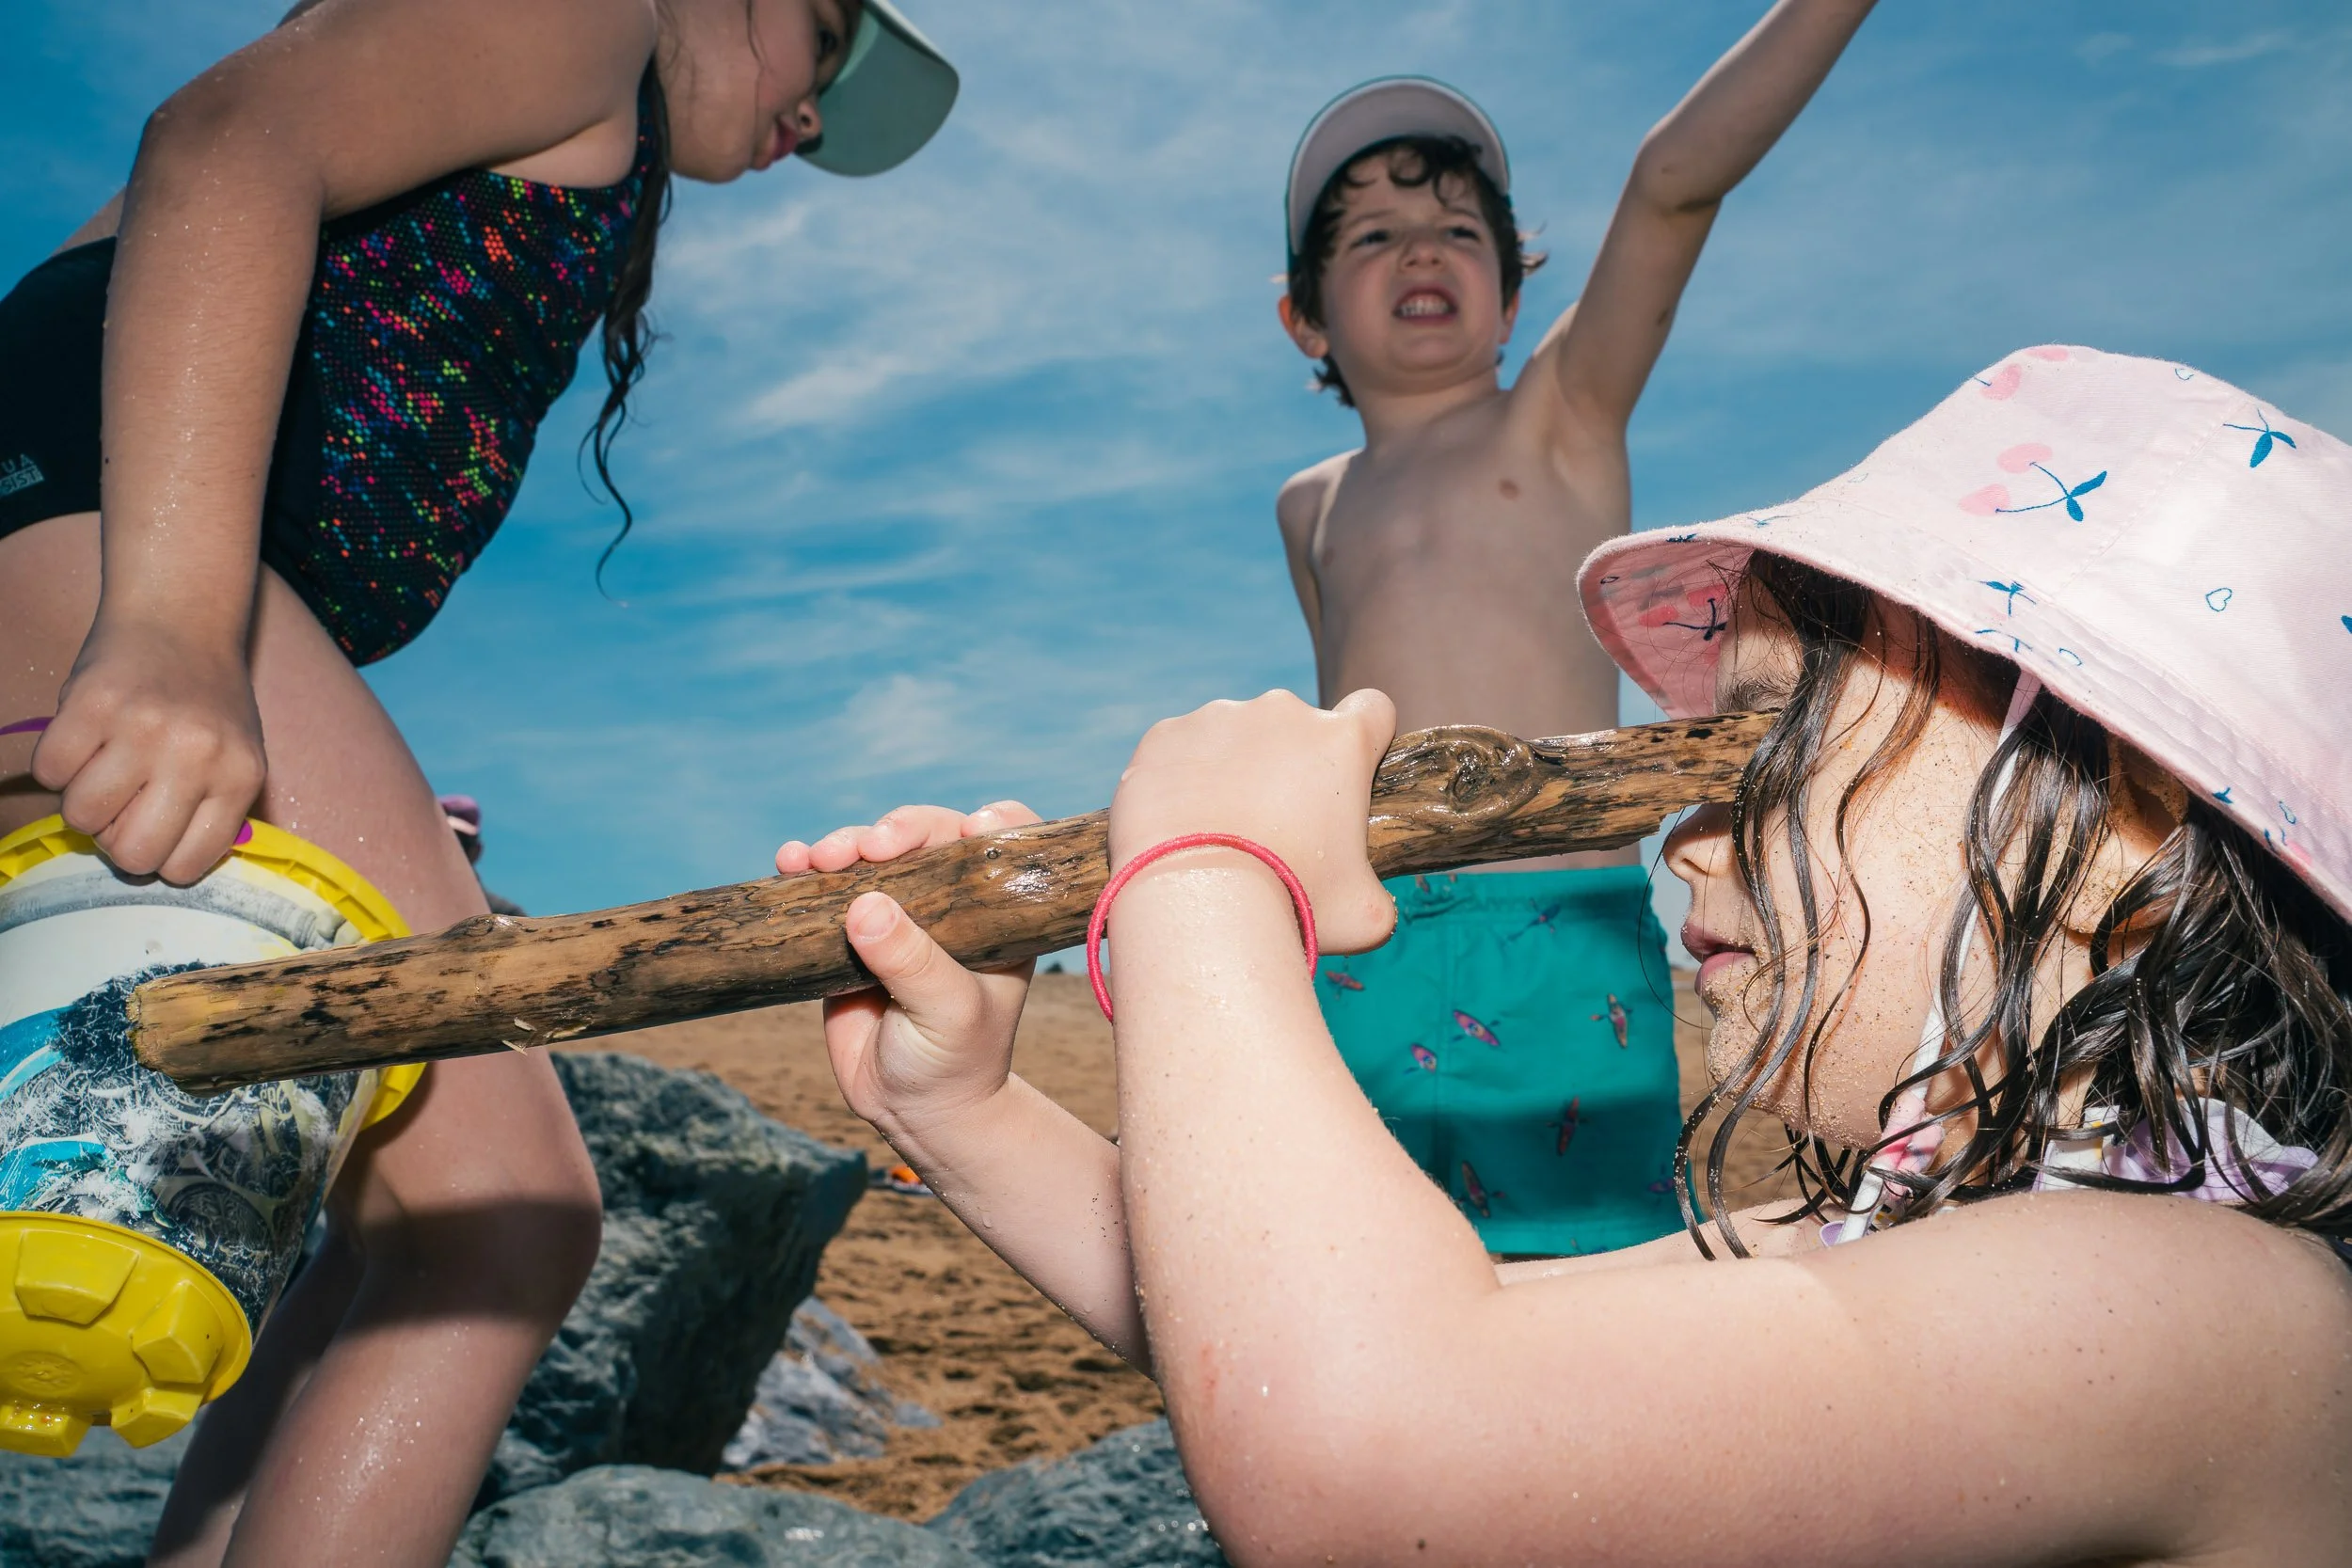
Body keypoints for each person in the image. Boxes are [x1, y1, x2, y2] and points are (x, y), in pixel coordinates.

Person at [786, 346, 2352, 1563]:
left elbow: (1370, 1446)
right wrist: (971, 1112)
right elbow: (1336, 1324)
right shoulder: (1930, 1222)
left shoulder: (2202, 1307)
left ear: (2129, 840)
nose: (1685, 838)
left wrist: (1203, 876)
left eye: (1762, 757)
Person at [0, 1, 955, 1561]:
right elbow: (225, 143)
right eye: (829, 32)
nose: (826, 106)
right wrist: (169, 628)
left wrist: (391, 845)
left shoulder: (588, 141)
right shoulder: (587, 17)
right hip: (92, 549)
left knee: (403, 1226)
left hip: (79, 564)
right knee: (510, 1215)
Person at [1272, 0, 1878, 1255]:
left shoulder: (1560, 418)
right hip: (1364, 942)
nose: (1421, 249)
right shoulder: (1308, 508)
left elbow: (1671, 186)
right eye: (1373, 234)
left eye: (1457, 227)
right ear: (1306, 318)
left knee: (1592, 1259)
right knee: (1361, 1258)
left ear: (1511, 295)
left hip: (1560, 936)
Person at [439, 793, 526, 915]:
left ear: (476, 851)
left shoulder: (506, 915)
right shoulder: (403, 900)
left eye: (460, 841)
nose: (449, 850)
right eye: (440, 838)